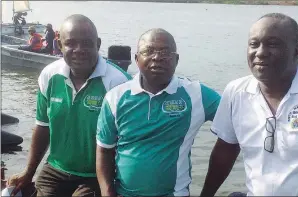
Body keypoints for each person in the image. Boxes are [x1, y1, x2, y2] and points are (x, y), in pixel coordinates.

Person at [200, 13, 298, 197]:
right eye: (254, 44)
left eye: (273, 44)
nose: (260, 52)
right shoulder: (237, 91)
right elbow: (226, 149)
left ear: (296, 51)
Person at [7, 14, 132, 197]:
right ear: (59, 44)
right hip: (56, 168)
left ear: (98, 44)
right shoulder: (49, 76)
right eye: (71, 43)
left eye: (87, 43)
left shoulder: (119, 83)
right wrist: (28, 172)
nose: (79, 50)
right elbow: (42, 127)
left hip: (98, 174)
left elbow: (130, 141)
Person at [96, 28, 221, 197]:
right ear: (136, 59)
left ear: (176, 59)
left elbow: (234, 117)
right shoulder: (115, 98)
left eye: (165, 52)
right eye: (148, 51)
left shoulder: (196, 94)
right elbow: (104, 150)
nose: (157, 57)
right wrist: (107, 192)